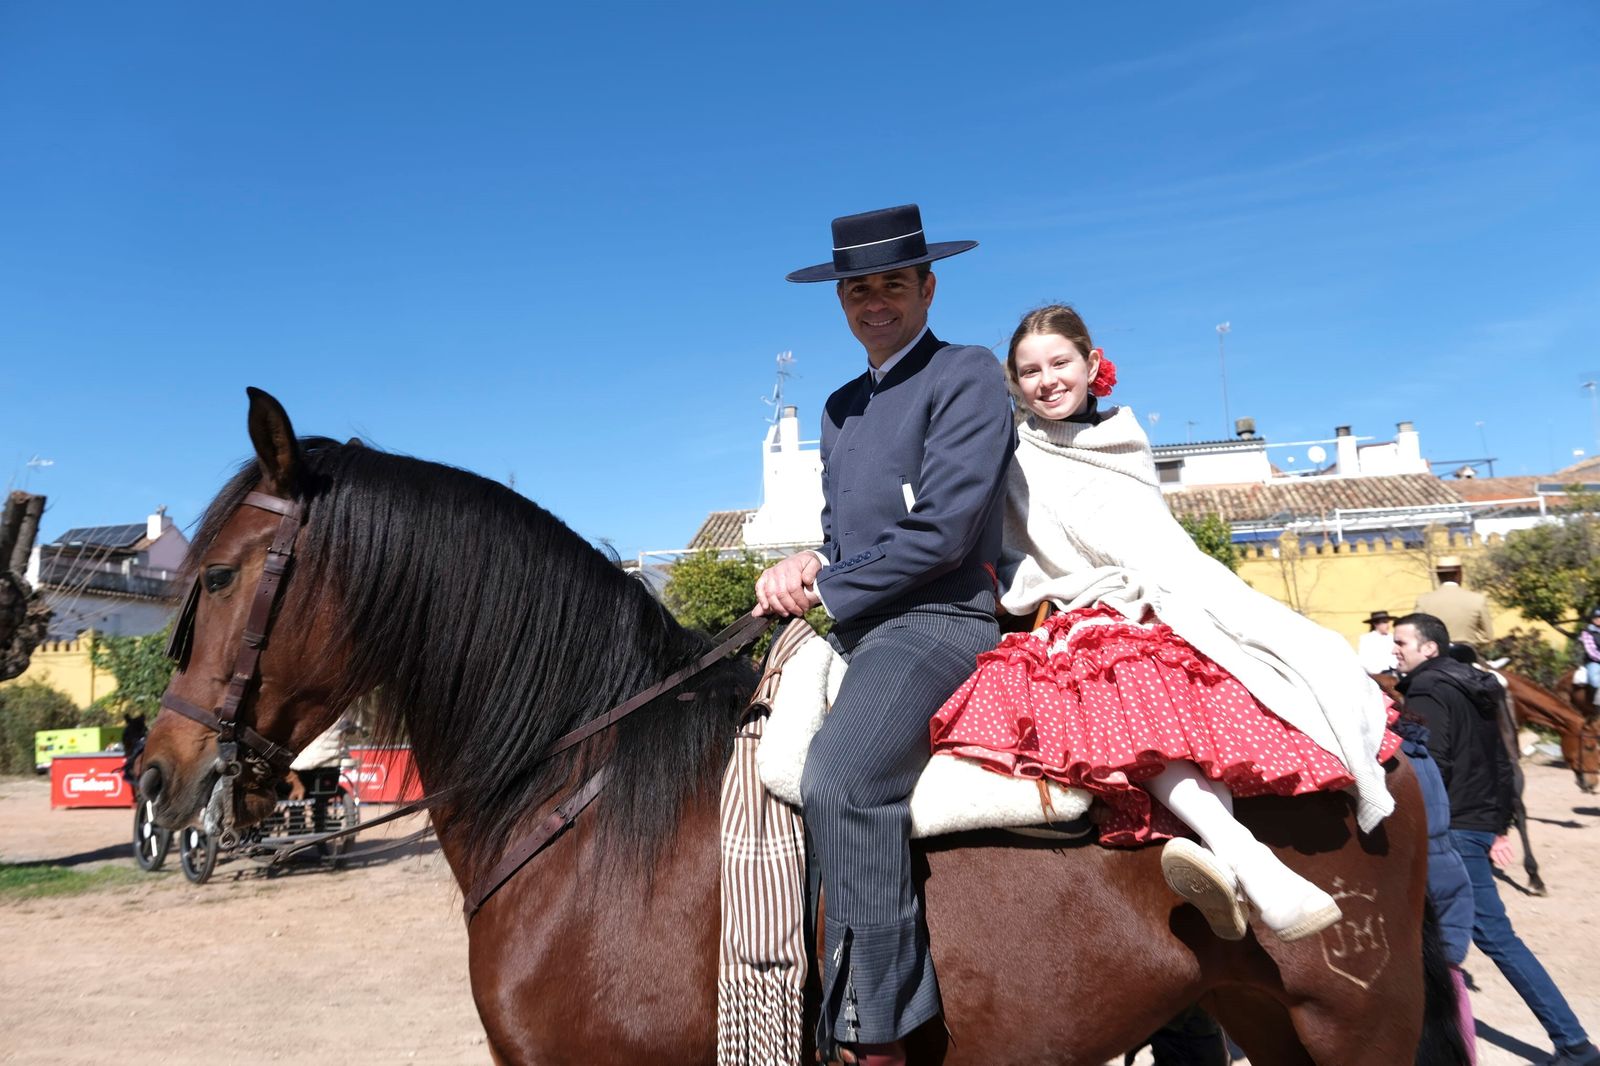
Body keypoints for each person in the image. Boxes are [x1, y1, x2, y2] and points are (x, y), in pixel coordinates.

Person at [930, 304, 1400, 945]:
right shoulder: (1012, 455)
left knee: (1246, 677)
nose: (1047, 380)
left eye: (1059, 363)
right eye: (1029, 371)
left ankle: (1230, 865)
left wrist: (1164, 595)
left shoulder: (1125, 441)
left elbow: (1156, 542)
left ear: (1091, 364)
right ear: (1015, 384)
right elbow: (1023, 547)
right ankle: (1246, 857)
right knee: (1125, 679)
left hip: (1174, 593)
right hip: (1086, 602)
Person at [755, 203, 1013, 1066]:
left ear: (927, 286)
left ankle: (881, 1033)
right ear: (840, 300)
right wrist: (805, 564)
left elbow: (941, 531)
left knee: (843, 775)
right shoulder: (836, 408)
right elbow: (845, 539)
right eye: (857, 287)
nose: (874, 299)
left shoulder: (967, 373)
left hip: (940, 619)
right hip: (861, 623)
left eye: (892, 283)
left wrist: (830, 584)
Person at [1395, 612, 1600, 1066]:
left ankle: (1574, 1044)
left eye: (1402, 641)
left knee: (1491, 937)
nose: (1395, 649)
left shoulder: (1428, 689)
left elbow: (1430, 762)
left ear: (1430, 648)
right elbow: (1505, 761)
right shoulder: (1480, 686)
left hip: (1451, 830)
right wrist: (1499, 824)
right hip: (1477, 822)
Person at [1415, 564, 1495, 647]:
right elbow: (1487, 636)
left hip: (1436, 654)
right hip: (1467, 653)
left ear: (1438, 575)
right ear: (1459, 574)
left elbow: (1415, 631)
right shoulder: (1478, 599)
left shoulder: (1423, 600)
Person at [1358, 608, 1397, 676]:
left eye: (1387, 622)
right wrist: (1375, 673)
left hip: (1395, 672)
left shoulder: (1392, 637)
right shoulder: (1367, 639)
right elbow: (1364, 659)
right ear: (1376, 624)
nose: (1387, 625)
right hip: (1377, 674)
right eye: (1384, 622)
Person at [1580, 607, 1600, 707]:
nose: (1599, 619)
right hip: (1594, 662)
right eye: (1596, 617)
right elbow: (1591, 651)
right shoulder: (1587, 632)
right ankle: (1597, 707)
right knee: (1595, 680)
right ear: (1592, 619)